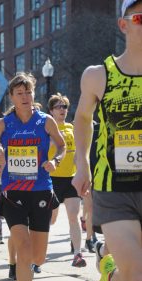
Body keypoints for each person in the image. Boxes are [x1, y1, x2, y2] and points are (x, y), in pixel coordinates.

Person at [72, 0, 142, 281]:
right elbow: (82, 119)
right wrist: (81, 164)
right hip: (115, 187)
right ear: (124, 25)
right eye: (140, 18)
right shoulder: (99, 75)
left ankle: (111, 279)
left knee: (132, 278)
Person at [0, 72, 66, 281]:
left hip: (41, 190)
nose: (25, 97)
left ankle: (27, 270)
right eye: (19, 93)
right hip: (14, 192)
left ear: (33, 94)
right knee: (23, 247)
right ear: (11, 96)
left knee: (37, 256)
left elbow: (62, 146)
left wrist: (55, 161)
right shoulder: (2, 124)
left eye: (28, 92)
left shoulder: (46, 121)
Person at [48, 93, 92, 268]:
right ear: (51, 110)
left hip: (71, 180)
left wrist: (83, 172)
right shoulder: (47, 129)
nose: (62, 110)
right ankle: (36, 254)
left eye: (64, 107)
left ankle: (77, 254)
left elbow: (79, 154)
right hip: (51, 180)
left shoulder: (71, 128)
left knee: (73, 216)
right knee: (50, 220)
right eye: (58, 107)